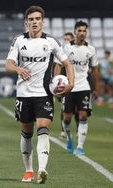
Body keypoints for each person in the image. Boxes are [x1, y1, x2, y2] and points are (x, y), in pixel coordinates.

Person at [5, 5, 74, 184]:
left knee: (43, 129)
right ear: (26, 22)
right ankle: (28, 170)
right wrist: (17, 68)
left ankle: (42, 169)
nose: (34, 22)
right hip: (23, 94)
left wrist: (71, 84)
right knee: (26, 133)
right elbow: (8, 65)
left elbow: (67, 64)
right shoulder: (19, 40)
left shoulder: (51, 42)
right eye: (31, 19)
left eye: (37, 19)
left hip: (43, 94)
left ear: (43, 22)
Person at [60, 20, 100, 155]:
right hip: (69, 86)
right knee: (67, 118)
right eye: (80, 31)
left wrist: (96, 88)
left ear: (86, 32)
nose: (82, 33)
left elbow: (95, 70)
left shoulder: (91, 49)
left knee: (83, 116)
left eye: (84, 31)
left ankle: (80, 146)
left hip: (84, 86)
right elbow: (58, 65)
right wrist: (58, 83)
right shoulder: (67, 48)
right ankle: (70, 139)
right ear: (75, 32)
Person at [59, 32, 75, 139]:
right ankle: (64, 130)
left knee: (79, 110)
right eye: (64, 39)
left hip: (79, 84)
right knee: (64, 109)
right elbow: (58, 66)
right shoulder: (61, 51)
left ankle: (79, 130)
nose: (66, 41)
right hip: (65, 84)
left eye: (68, 39)